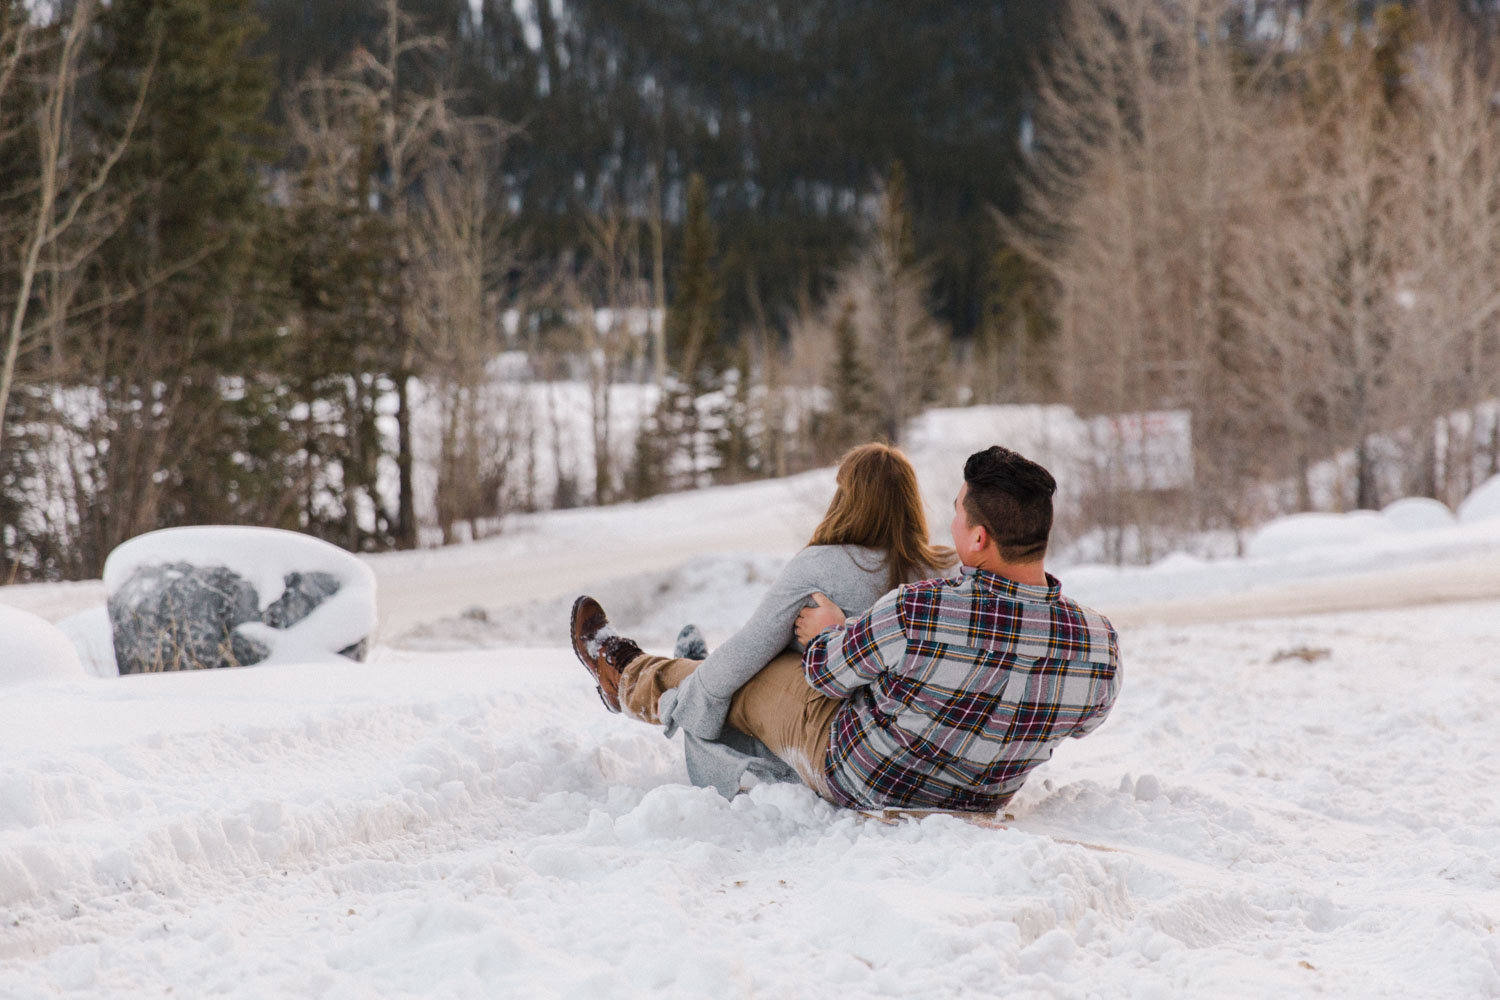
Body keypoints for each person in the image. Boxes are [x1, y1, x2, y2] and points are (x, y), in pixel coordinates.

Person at [571, 445, 1121, 812]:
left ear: (978, 538)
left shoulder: (916, 611)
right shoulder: (1099, 646)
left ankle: (630, 677)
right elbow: (1080, 719)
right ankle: (675, 675)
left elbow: (827, 673)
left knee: (748, 677)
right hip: (982, 796)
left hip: (866, 773)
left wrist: (837, 628)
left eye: (957, 512)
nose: (949, 523)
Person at [572, 442, 955, 796]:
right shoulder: (942, 570)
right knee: (731, 677)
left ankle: (627, 676)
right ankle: (688, 669)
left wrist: (688, 698)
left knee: (733, 675)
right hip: (908, 735)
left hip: (833, 730)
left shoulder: (822, 565)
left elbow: (747, 651)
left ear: (846, 498)